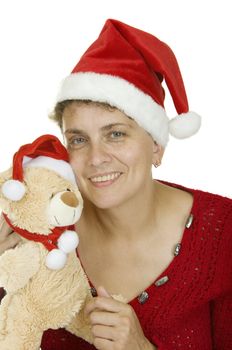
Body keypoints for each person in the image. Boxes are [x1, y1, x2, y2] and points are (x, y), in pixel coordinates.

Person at [1, 18, 231, 350]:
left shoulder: (223, 234)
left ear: (156, 144)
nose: (96, 158)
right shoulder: (40, 226)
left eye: (116, 134)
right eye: (79, 139)